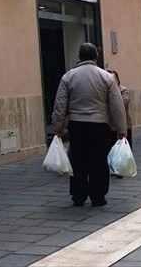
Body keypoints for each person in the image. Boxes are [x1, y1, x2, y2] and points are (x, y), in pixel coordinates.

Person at [52, 43, 127, 207]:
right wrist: (121, 129)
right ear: (96, 57)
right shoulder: (106, 77)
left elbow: (60, 105)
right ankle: (98, 196)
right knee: (99, 161)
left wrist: (57, 129)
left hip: (77, 124)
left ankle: (78, 196)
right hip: (100, 125)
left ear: (79, 57)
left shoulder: (68, 76)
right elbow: (117, 105)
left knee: (78, 160)